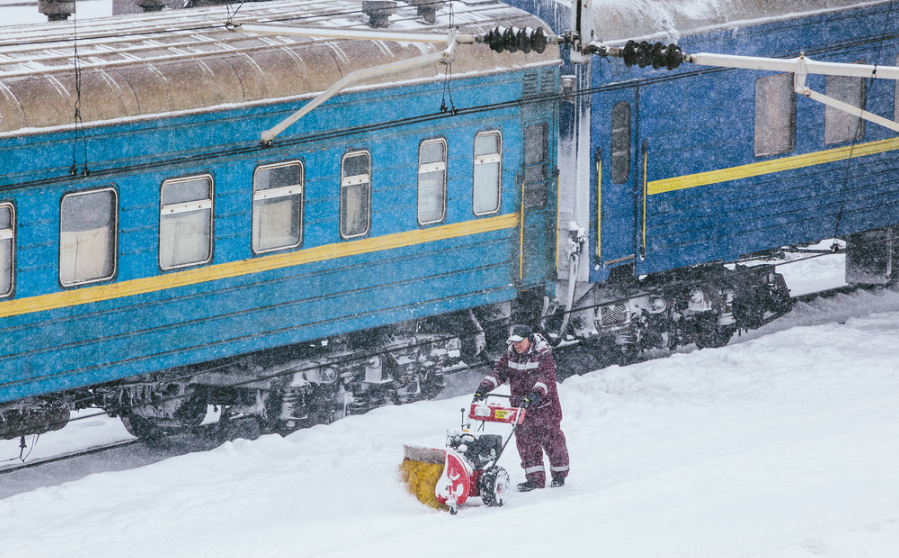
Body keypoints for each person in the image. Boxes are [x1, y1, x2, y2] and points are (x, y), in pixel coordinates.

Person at [473, 324, 570, 491]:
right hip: (521, 406)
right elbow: (499, 373)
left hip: (544, 407)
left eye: (520, 342)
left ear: (529, 340)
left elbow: (547, 378)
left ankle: (559, 474)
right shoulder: (511, 353)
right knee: (526, 442)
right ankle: (535, 479)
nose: (517, 345)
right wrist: (485, 387)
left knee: (552, 440)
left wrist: (536, 394)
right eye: (515, 342)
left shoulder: (542, 353)